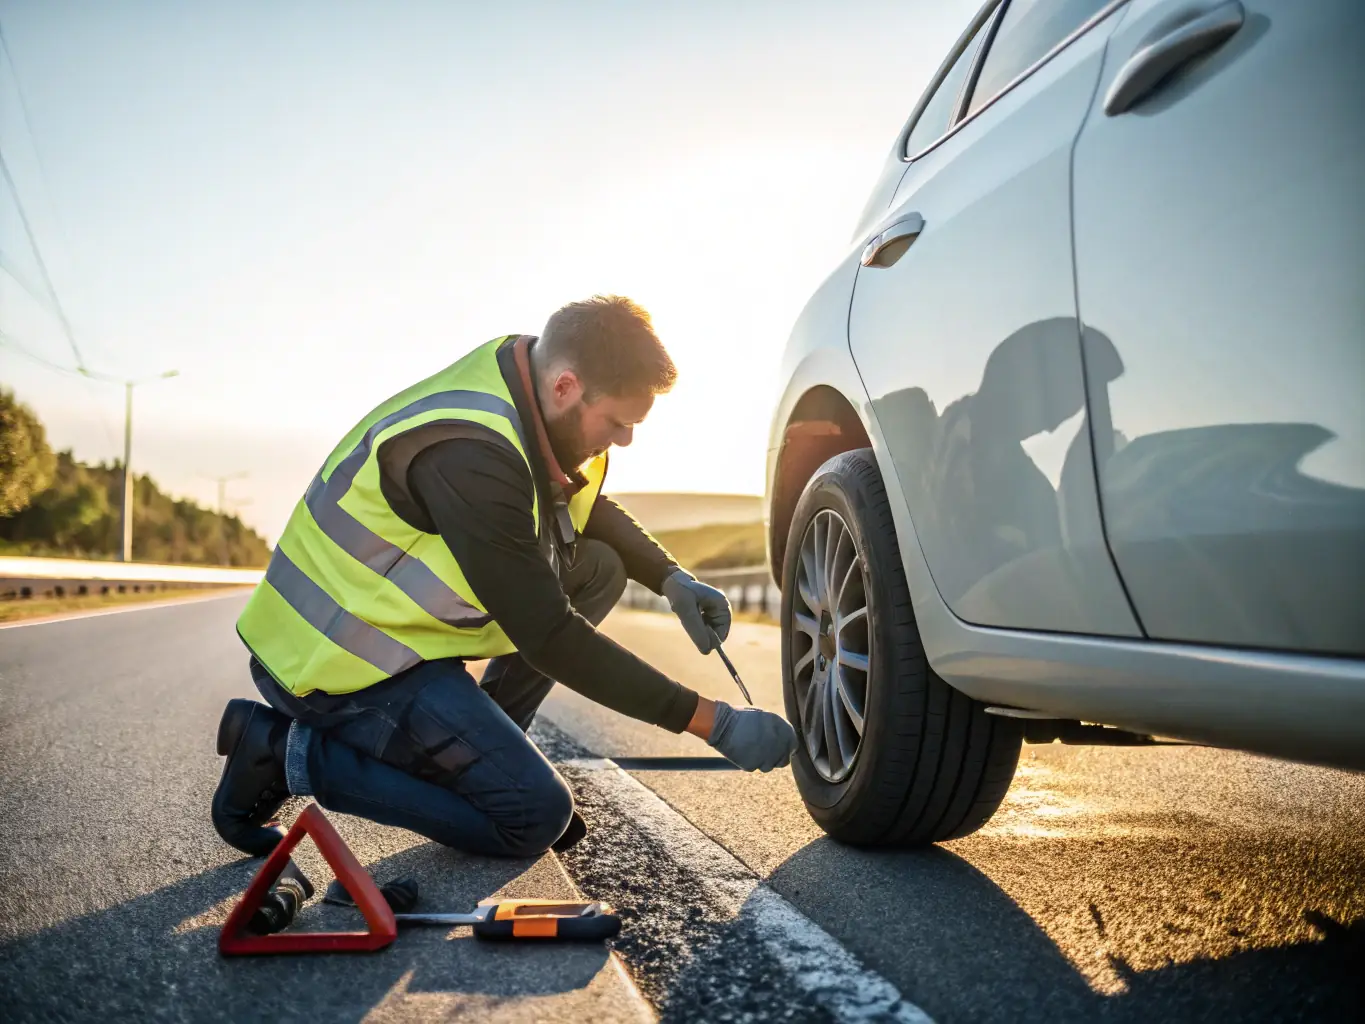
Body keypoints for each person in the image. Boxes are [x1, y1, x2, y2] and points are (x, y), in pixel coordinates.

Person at [211, 295, 797, 858]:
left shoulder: (529, 393)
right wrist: (711, 723)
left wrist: (669, 577)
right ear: (566, 385)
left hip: (399, 642)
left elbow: (586, 509)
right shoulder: (470, 452)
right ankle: (284, 752)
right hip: (338, 664)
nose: (625, 440)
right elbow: (549, 636)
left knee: (599, 568)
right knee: (530, 816)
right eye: (617, 422)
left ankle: (494, 748)